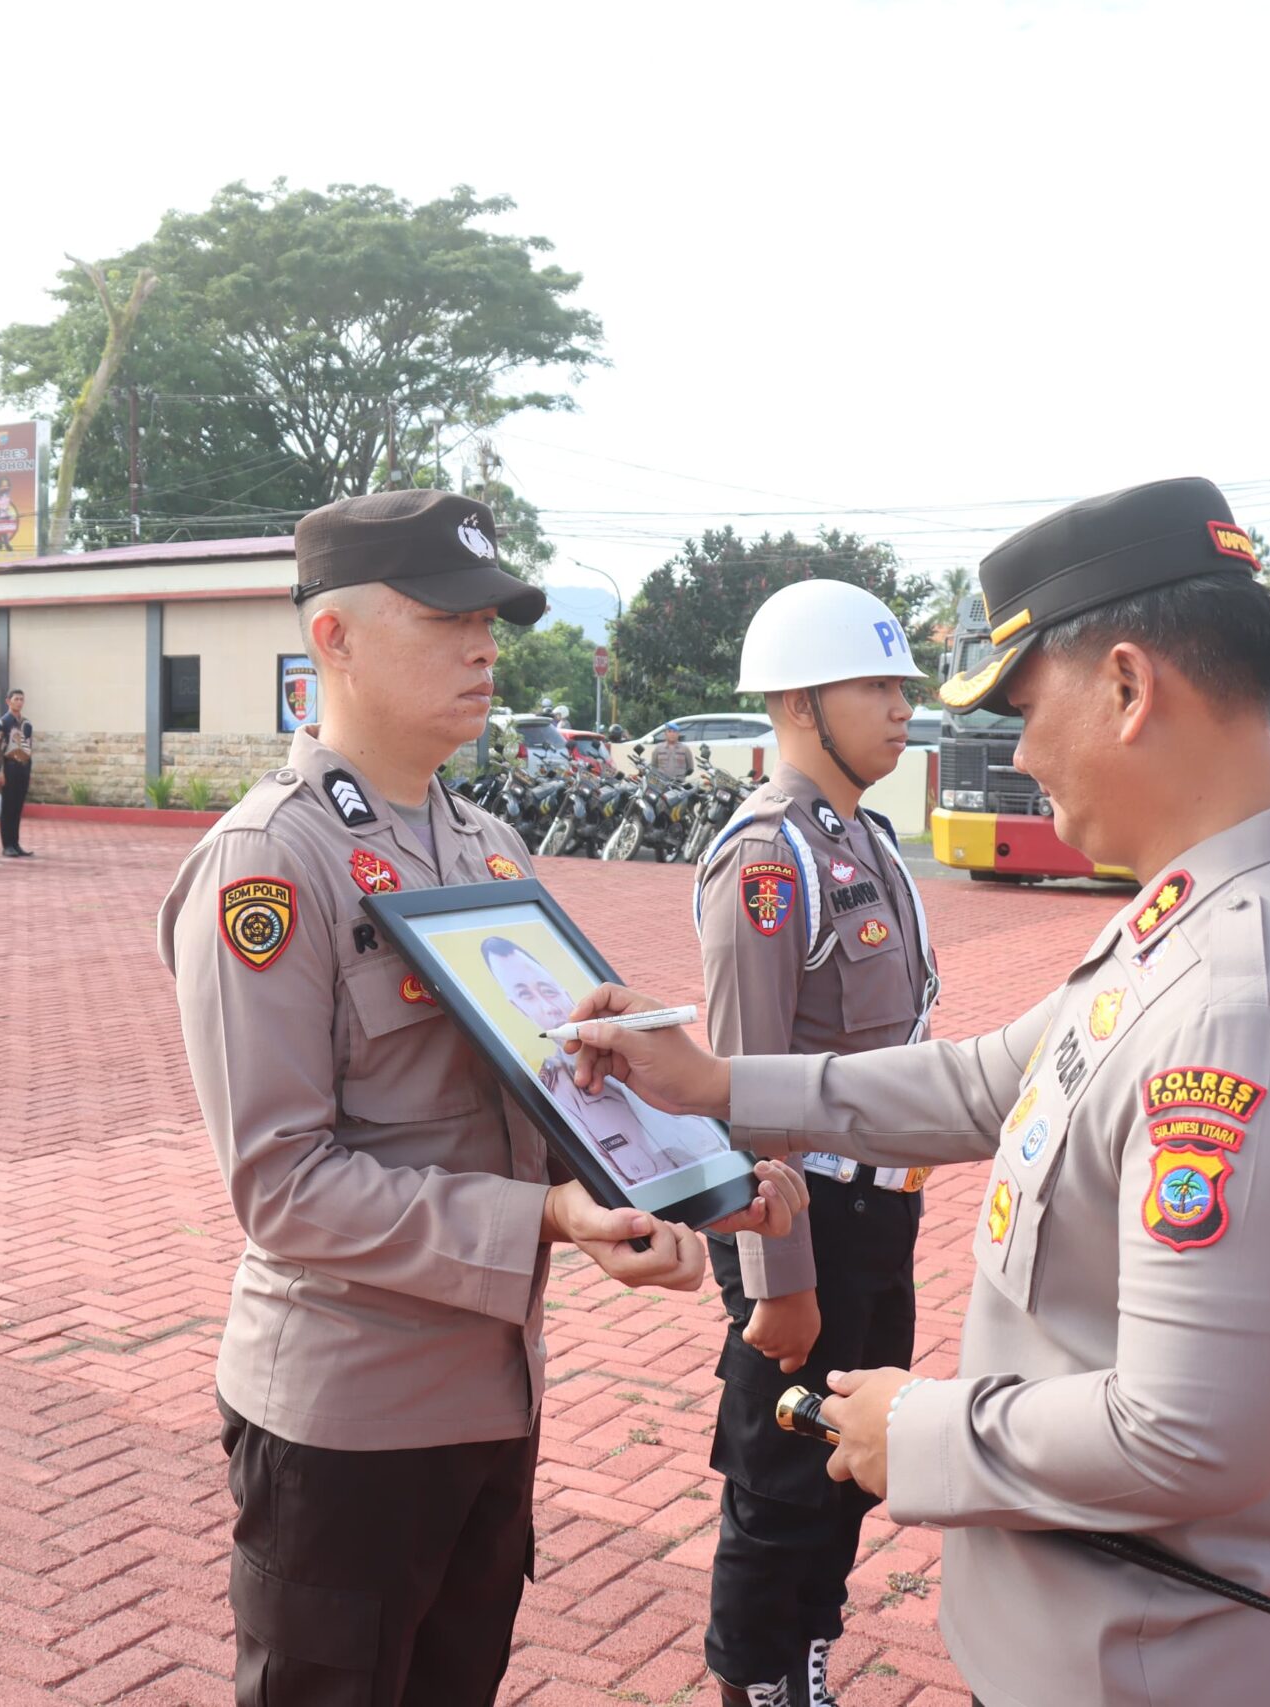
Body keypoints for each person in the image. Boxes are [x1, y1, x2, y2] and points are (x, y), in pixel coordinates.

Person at [565, 478, 1270, 1707]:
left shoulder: (1238, 997)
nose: (1011, 751)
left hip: (1163, 1664)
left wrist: (917, 1432)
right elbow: (984, 1080)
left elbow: (1192, 1436)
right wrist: (716, 1083)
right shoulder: (1199, 911)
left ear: (1127, 688)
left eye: (1023, 706)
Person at [156, 488, 806, 1707]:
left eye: (492, 618)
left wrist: (696, 1173)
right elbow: (282, 1191)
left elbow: (554, 1097)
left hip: (490, 1396)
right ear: (332, 637)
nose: (483, 646)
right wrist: (547, 1224)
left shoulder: (484, 846)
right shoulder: (271, 861)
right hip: (346, 1419)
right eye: (445, 615)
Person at [687, 578, 939, 1707]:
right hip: (805, 1220)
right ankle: (756, 1683)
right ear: (798, 701)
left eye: (901, 686)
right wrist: (773, 1281)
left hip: (879, 1215)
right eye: (876, 684)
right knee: (777, 1478)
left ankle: (808, 1657)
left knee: (846, 1465)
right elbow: (748, 1086)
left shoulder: (864, 839)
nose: (901, 709)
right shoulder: (767, 858)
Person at [478, 934, 718, 1186]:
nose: (548, 1007)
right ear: (518, 1008)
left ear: (564, 990)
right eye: (526, 996)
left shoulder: (649, 1051)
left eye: (547, 990)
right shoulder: (558, 1094)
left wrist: (710, 1082)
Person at [0, 687, 34, 857]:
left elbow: (29, 747)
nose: (19, 702)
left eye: (21, 699)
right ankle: (7, 844)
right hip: (9, 767)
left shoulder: (27, 724)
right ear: (8, 701)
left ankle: (16, 843)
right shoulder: (2, 723)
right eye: (16, 699)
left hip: (23, 768)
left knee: (18, 807)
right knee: (8, 807)